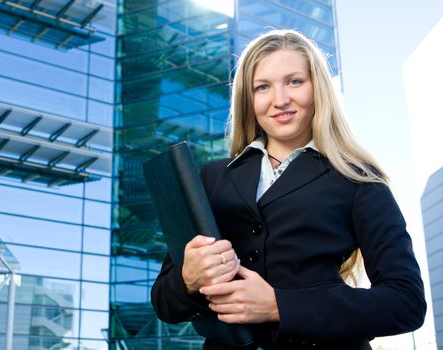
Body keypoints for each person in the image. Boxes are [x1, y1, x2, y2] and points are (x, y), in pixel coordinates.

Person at [150, 29, 426, 350]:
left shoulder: (358, 179)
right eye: (262, 87)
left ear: (317, 88)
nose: (280, 100)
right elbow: (163, 304)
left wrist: (279, 306)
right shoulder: (211, 177)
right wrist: (188, 280)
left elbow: (406, 302)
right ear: (248, 99)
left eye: (294, 81)